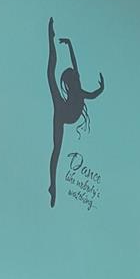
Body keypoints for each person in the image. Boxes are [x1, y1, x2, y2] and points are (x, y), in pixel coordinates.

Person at [47, 17, 104, 207]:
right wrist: (101, 88)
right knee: (50, 73)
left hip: (64, 112)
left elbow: (92, 91)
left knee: (50, 73)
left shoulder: (78, 89)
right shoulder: (78, 90)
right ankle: (53, 186)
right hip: (65, 112)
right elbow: (93, 93)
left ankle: (53, 185)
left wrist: (69, 44)